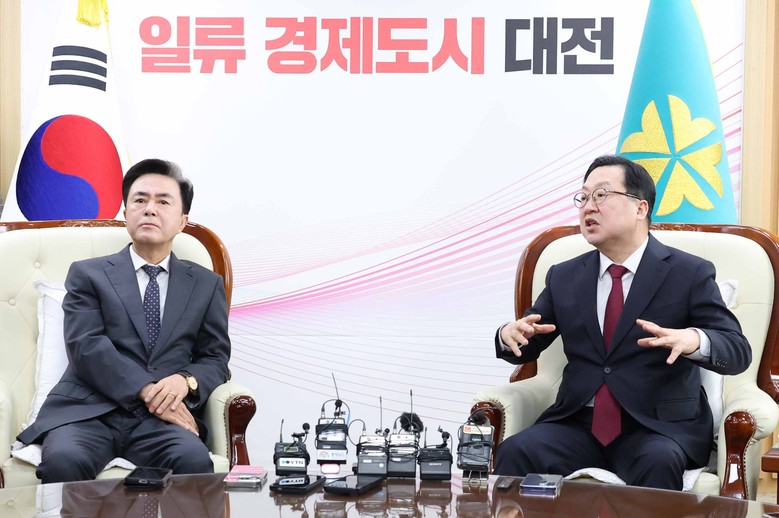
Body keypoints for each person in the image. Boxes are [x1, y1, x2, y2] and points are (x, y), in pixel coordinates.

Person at [493, 154, 751, 490]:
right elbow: (527, 342)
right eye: (583, 197)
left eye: (601, 195)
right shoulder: (564, 276)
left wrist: (694, 340)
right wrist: (508, 335)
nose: (588, 207)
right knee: (517, 451)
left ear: (640, 208)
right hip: (578, 424)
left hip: (655, 428)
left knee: (658, 462)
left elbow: (737, 351)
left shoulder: (688, 273)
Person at [17, 158, 231, 483]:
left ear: (182, 221)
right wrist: (146, 389)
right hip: (87, 413)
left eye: (163, 202)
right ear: (126, 213)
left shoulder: (205, 284)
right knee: (64, 462)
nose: (149, 210)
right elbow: (86, 346)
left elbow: (215, 357)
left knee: (192, 459)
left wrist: (185, 381)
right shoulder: (88, 274)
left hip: (161, 421)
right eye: (140, 200)